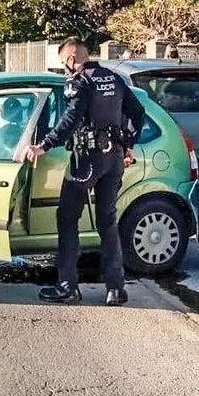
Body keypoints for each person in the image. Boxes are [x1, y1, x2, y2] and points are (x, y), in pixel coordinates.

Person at [21, 37, 145, 306]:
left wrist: (44, 145)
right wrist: (128, 145)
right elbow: (138, 112)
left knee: (67, 218)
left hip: (86, 160)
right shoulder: (114, 78)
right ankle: (116, 289)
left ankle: (67, 287)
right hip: (113, 159)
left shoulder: (80, 82)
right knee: (107, 223)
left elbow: (71, 118)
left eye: (64, 64)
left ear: (69, 60)